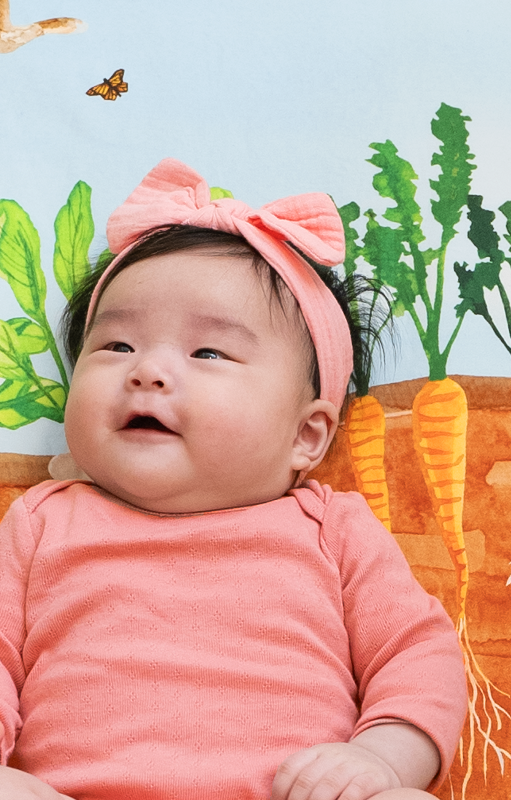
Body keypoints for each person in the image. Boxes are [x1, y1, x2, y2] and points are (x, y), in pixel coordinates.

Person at [0, 159, 468, 800]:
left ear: (306, 436)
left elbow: (417, 654)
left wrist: (382, 761)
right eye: (115, 347)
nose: (148, 372)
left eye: (208, 353)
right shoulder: (42, 521)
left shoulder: (333, 529)